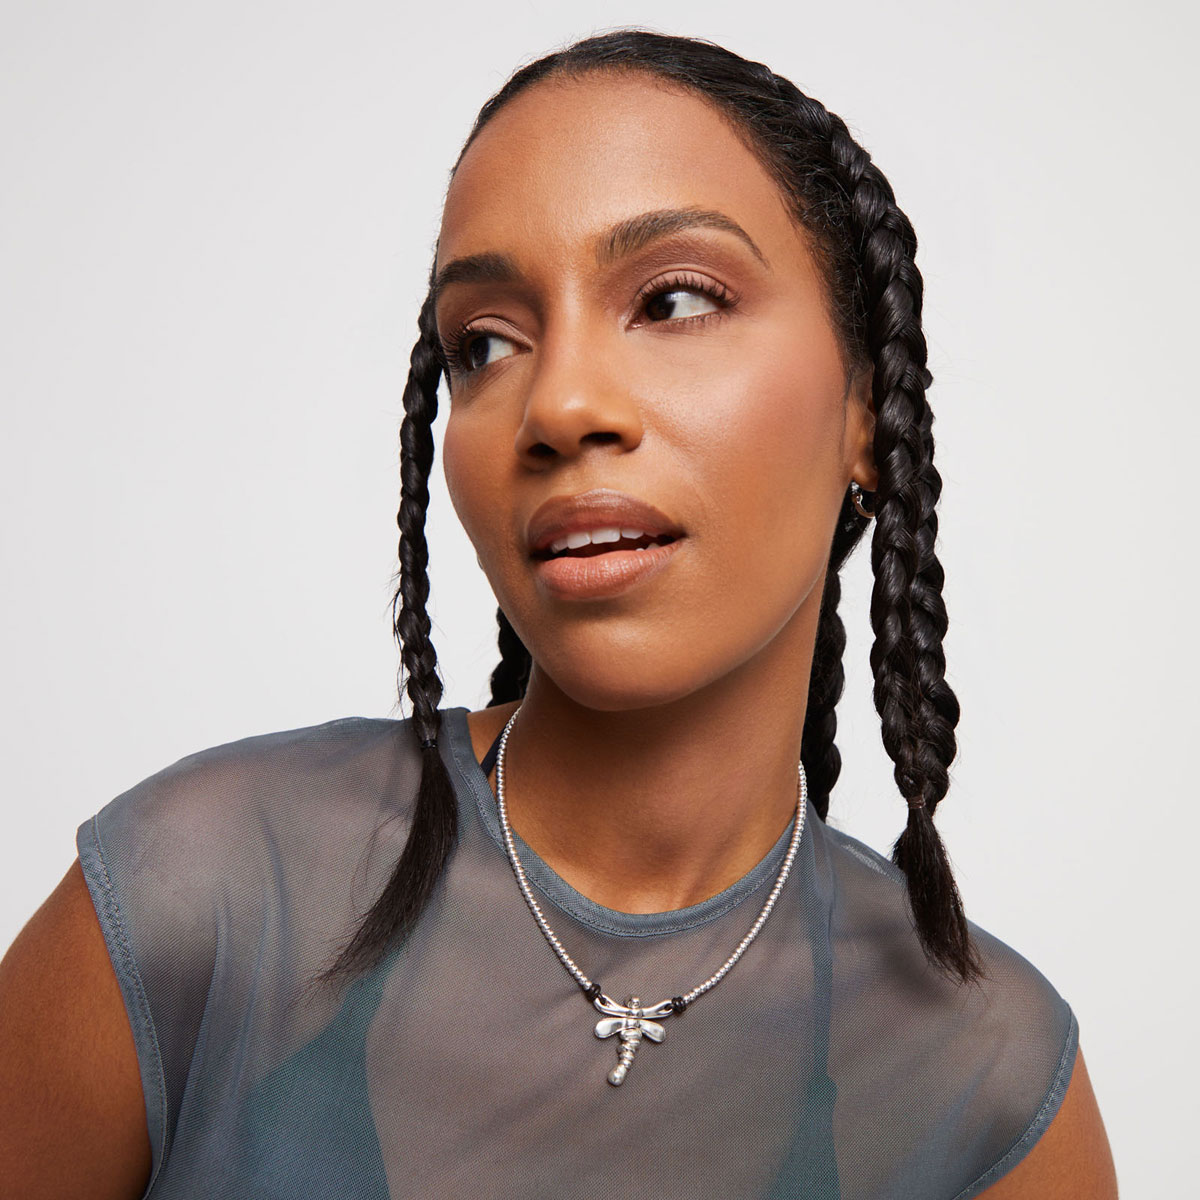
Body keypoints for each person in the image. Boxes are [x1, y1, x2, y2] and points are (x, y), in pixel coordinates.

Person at [0, 29, 1117, 1200]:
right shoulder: (209, 897)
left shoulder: (986, 1086)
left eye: (673, 300)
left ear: (869, 418)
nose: (561, 404)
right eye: (485, 343)